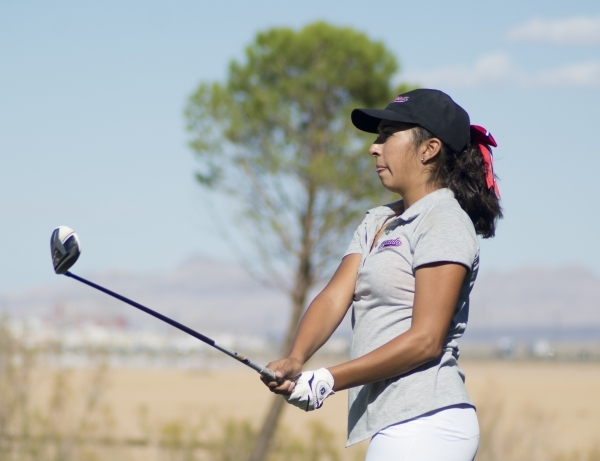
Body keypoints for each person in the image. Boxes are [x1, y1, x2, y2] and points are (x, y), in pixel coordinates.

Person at [262, 88, 502, 460]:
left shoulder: (444, 221)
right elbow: (334, 297)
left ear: (429, 149)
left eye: (388, 134)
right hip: (399, 422)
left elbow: (426, 340)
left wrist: (327, 380)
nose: (374, 147)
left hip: (427, 420)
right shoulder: (380, 221)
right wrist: (296, 359)